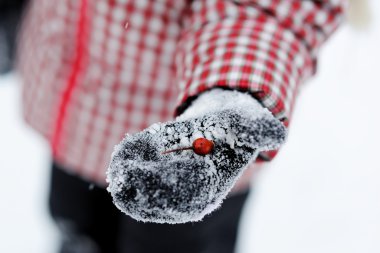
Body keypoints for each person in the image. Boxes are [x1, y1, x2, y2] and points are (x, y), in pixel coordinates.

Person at [16, 0, 346, 252]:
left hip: (180, 167)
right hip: (73, 122)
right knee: (75, 225)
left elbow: (270, 11)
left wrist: (226, 93)